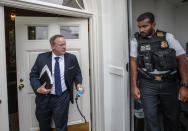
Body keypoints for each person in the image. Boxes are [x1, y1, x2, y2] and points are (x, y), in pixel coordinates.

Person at [130, 12, 188, 131]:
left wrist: (185, 86)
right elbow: (133, 62)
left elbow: (182, 59)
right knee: (150, 117)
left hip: (170, 83)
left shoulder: (167, 37)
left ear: (153, 24)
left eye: (145, 26)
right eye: (139, 27)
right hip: (148, 84)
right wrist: (134, 85)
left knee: (172, 117)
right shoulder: (136, 40)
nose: (141, 30)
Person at [30, 34, 84, 131]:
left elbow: (77, 74)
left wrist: (79, 84)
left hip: (62, 98)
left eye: (65, 44)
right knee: (44, 126)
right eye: (61, 44)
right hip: (44, 98)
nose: (64, 47)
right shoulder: (41, 58)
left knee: (61, 126)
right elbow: (33, 76)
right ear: (53, 46)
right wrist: (38, 88)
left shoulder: (72, 58)